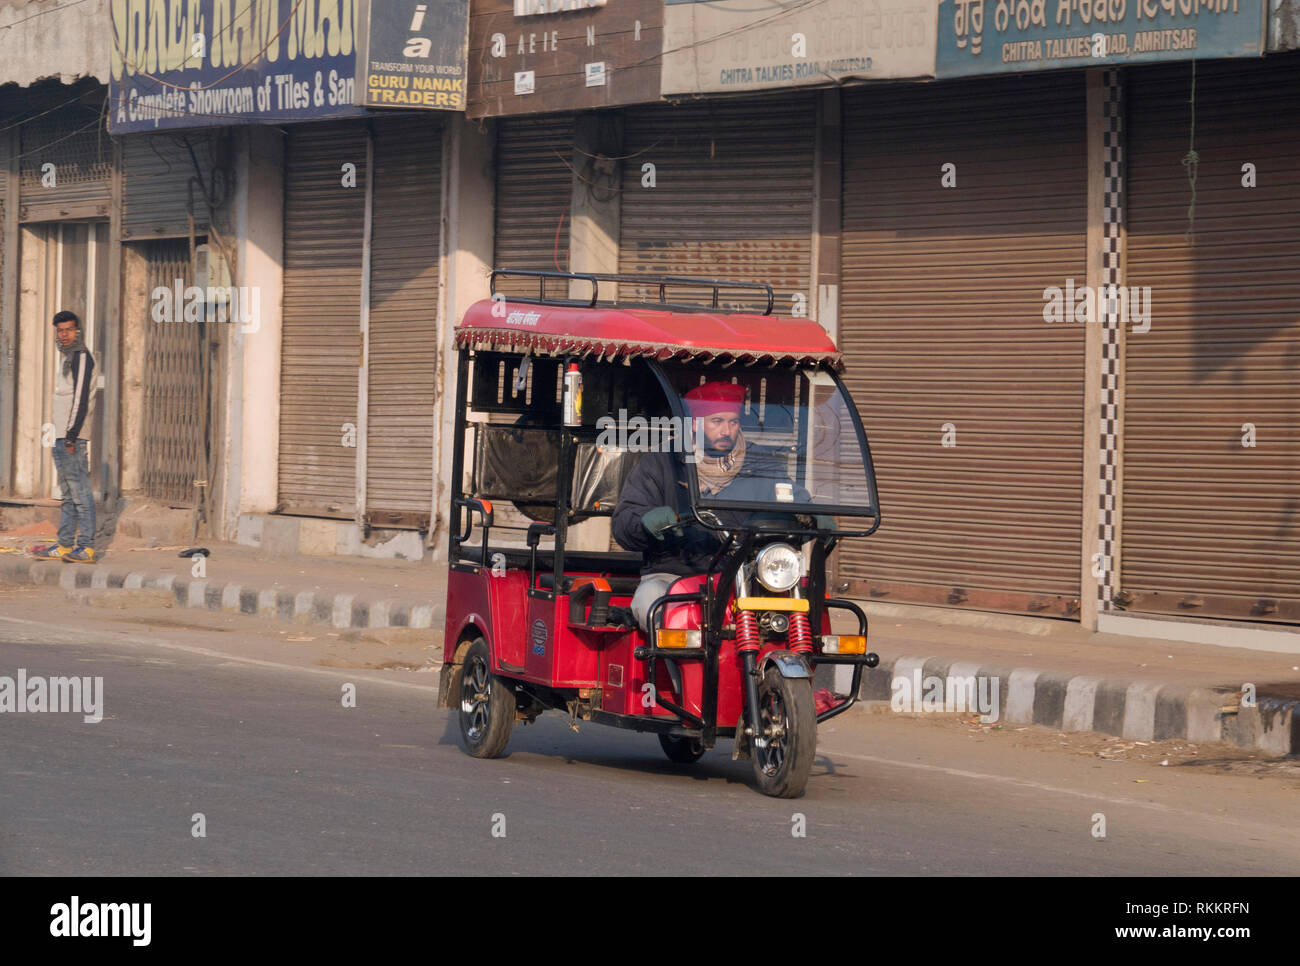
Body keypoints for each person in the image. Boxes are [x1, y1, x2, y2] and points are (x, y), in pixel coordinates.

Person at [613, 381, 796, 632]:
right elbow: (624, 520)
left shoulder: (763, 464)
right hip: (673, 575)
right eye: (717, 421)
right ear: (696, 424)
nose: (727, 430)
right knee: (652, 605)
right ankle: (676, 671)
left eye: (733, 422)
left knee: (797, 617)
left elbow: (790, 497)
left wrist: (809, 513)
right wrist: (645, 521)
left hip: (745, 576)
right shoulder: (662, 461)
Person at [33, 310, 97, 562]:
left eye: (69, 329)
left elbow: (80, 399)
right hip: (60, 436)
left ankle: (87, 546)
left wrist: (70, 436)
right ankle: (64, 544)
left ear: (78, 331)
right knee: (68, 495)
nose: (64, 334)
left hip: (73, 437)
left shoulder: (82, 357)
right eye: (60, 330)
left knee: (81, 494)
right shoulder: (66, 359)